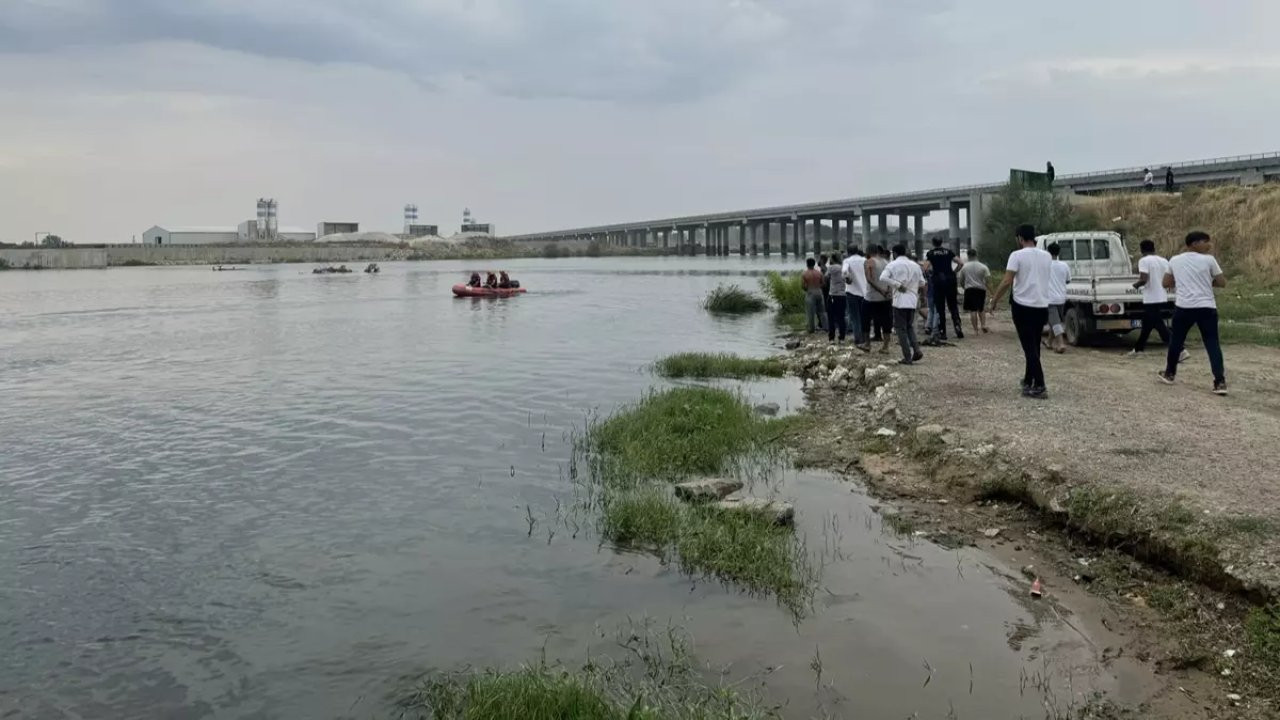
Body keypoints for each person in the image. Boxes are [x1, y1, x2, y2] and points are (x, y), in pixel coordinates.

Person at [1158, 231, 1227, 395]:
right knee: (1212, 343)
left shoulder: (1175, 260)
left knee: (1176, 341)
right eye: (1206, 241)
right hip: (1207, 307)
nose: (1209, 245)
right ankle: (1220, 382)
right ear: (1194, 243)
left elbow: (1165, 282)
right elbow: (1222, 282)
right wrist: (1206, 283)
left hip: (1184, 307)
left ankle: (1169, 374)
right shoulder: (1209, 260)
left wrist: (1182, 282)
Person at [989, 224, 1053, 399]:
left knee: (1028, 347)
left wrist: (994, 299)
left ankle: (1040, 385)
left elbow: (1007, 281)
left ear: (1019, 238)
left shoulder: (1016, 255)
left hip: (1022, 305)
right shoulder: (1047, 255)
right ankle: (1028, 379)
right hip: (1041, 305)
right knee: (1034, 345)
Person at [1130, 240, 1186, 360]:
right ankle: (1138, 349)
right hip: (1161, 295)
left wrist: (1136, 285)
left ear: (1142, 250)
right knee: (1147, 324)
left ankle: (1180, 350)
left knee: (1160, 326)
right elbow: (1169, 277)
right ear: (1153, 248)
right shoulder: (1163, 261)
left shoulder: (1144, 261)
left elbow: (1143, 279)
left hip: (1150, 297)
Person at [879, 244, 925, 365]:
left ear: (894, 253)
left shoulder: (892, 264)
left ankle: (907, 356)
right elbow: (922, 282)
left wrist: (897, 285)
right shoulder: (915, 265)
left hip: (899, 301)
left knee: (901, 329)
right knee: (909, 327)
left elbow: (882, 277)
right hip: (912, 300)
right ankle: (917, 350)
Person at [925, 237, 964, 341]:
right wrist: (954, 272)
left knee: (940, 307)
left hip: (938, 280)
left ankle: (943, 332)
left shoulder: (931, 253)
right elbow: (961, 263)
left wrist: (930, 274)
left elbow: (926, 267)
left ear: (933, 243)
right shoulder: (949, 252)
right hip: (950, 279)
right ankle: (957, 325)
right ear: (942, 242)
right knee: (953, 305)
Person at [865, 246, 892, 351]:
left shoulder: (869, 262)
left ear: (869, 252)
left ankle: (867, 344)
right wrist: (887, 291)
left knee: (865, 319)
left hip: (871, 297)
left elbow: (869, 279)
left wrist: (880, 290)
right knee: (886, 321)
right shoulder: (886, 262)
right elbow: (890, 278)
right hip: (885, 298)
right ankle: (885, 346)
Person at [842, 245, 870, 350]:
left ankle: (858, 339)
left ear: (848, 252)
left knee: (855, 318)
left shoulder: (847, 261)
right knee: (864, 317)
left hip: (852, 293)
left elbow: (844, 272)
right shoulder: (864, 260)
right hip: (865, 292)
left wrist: (848, 278)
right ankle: (865, 338)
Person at [1045, 242, 1071, 353]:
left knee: (1055, 322)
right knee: (1054, 321)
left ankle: (1060, 344)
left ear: (1047, 252)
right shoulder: (1064, 265)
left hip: (1049, 298)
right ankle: (1049, 342)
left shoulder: (1045, 265)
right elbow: (1068, 280)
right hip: (1061, 298)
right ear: (1058, 252)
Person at [958, 248, 991, 334]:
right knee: (981, 308)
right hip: (981, 289)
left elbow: (961, 280)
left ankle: (975, 330)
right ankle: (983, 325)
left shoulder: (965, 267)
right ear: (976, 255)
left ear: (968, 256)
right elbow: (988, 279)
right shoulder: (983, 266)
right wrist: (989, 290)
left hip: (969, 289)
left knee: (972, 310)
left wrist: (964, 287)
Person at [825, 250, 847, 343]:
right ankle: (842, 338)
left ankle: (831, 338)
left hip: (833, 295)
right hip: (843, 295)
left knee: (831, 317)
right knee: (841, 317)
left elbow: (826, 277)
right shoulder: (843, 267)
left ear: (833, 258)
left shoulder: (831, 267)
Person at [801, 257, 826, 333]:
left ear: (807, 264)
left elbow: (803, 286)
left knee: (810, 312)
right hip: (819, 292)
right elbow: (823, 284)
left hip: (810, 293)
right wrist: (818, 287)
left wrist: (808, 289)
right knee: (822, 312)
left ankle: (811, 329)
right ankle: (825, 327)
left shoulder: (804, 274)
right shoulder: (819, 273)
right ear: (814, 264)